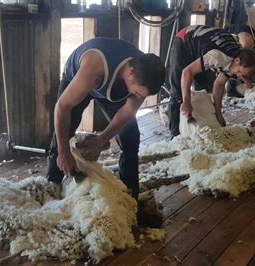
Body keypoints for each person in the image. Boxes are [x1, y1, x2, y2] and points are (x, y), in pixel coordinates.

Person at [46, 37, 166, 202]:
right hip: (77, 76)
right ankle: (51, 188)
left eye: (143, 96)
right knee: (63, 135)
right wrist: (63, 151)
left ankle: (129, 200)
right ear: (130, 73)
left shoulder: (142, 75)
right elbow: (62, 107)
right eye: (138, 94)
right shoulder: (94, 67)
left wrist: (101, 139)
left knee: (131, 139)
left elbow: (127, 113)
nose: (140, 98)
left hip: (112, 87)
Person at [167, 25, 255, 138]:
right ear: (237, 60)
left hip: (203, 46)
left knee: (203, 90)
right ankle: (175, 136)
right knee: (178, 94)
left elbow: (219, 84)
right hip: (185, 40)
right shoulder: (217, 57)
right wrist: (186, 101)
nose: (238, 75)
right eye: (240, 71)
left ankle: (197, 130)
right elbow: (187, 72)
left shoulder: (235, 62)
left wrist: (219, 114)